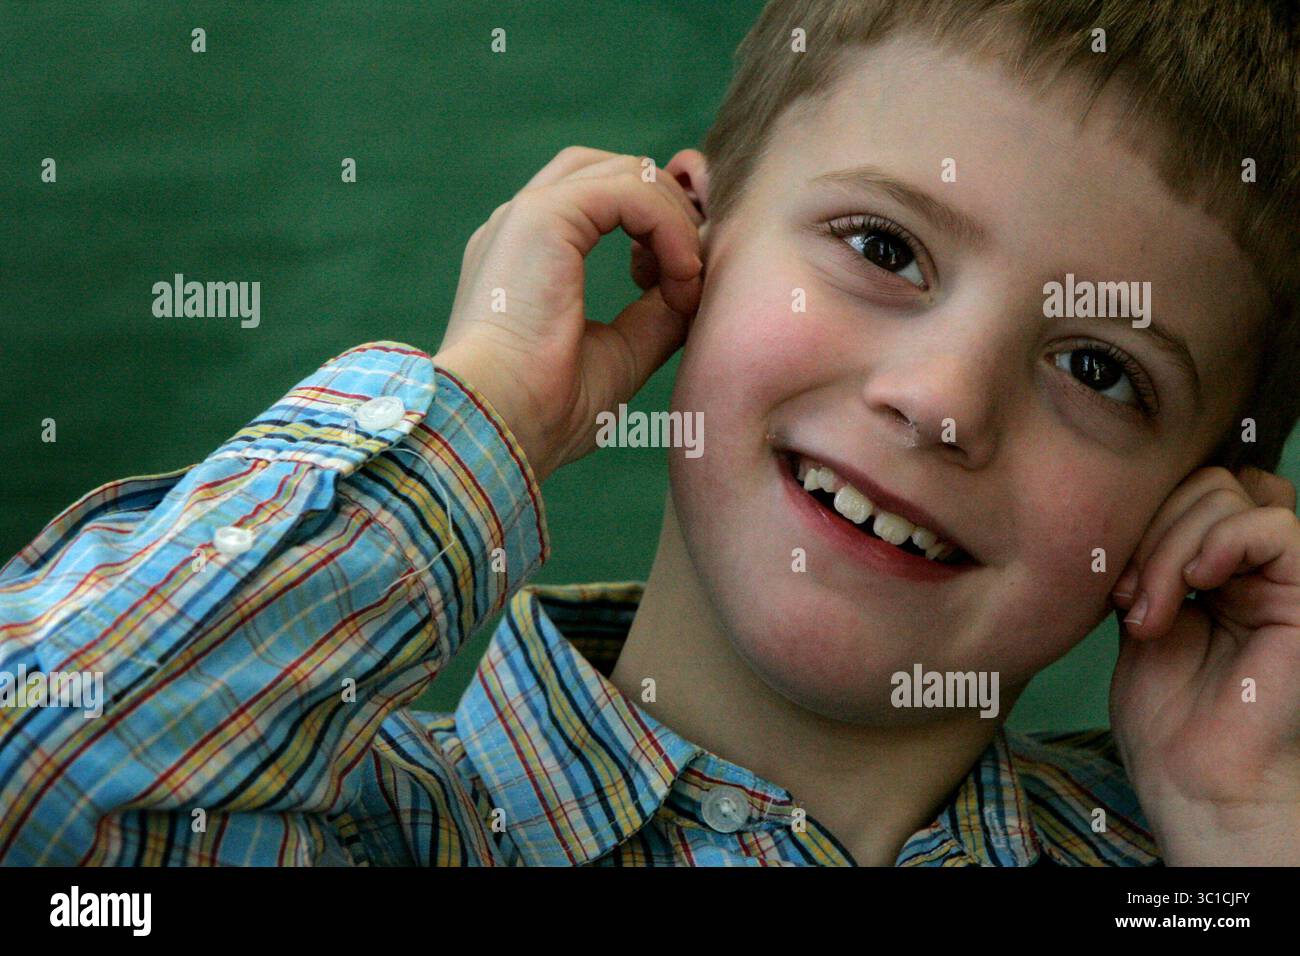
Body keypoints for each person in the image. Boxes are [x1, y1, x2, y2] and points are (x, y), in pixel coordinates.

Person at [2, 0, 1298, 865]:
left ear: (1201, 501)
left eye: (1098, 368)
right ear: (685, 245)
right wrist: (481, 413)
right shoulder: (352, 823)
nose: (944, 401)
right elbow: (42, 787)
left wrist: (1242, 823)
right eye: (882, 247)